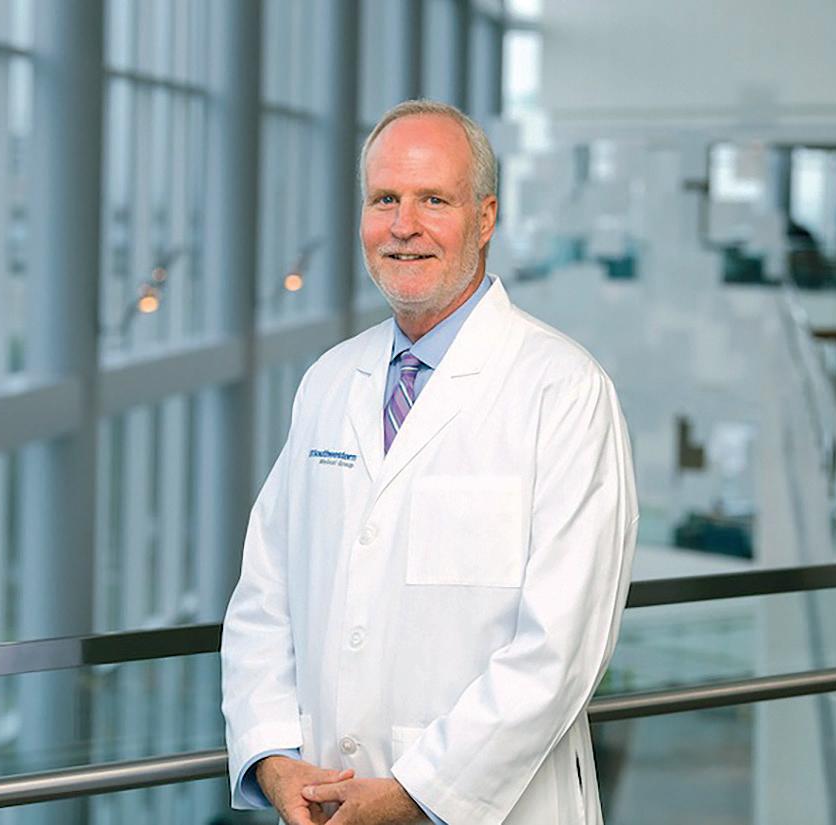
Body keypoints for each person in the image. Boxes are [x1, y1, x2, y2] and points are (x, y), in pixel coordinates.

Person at [220, 100, 639, 825]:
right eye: (384, 198)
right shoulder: (329, 380)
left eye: (433, 200)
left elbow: (561, 648)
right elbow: (265, 593)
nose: (403, 225)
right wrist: (273, 755)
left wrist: (415, 792)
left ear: (485, 217)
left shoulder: (564, 390)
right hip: (323, 800)